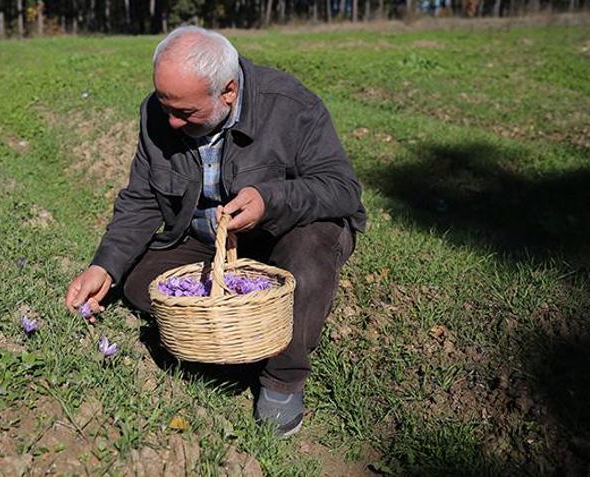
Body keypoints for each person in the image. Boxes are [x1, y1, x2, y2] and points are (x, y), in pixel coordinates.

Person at [65, 26, 366, 437]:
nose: (170, 121)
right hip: (208, 245)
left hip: (283, 238)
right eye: (164, 104)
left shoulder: (291, 106)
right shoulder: (159, 112)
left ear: (228, 91)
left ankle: (282, 376)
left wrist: (269, 199)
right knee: (138, 279)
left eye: (185, 113)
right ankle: (232, 341)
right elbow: (141, 198)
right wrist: (105, 267)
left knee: (308, 257)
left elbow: (343, 190)